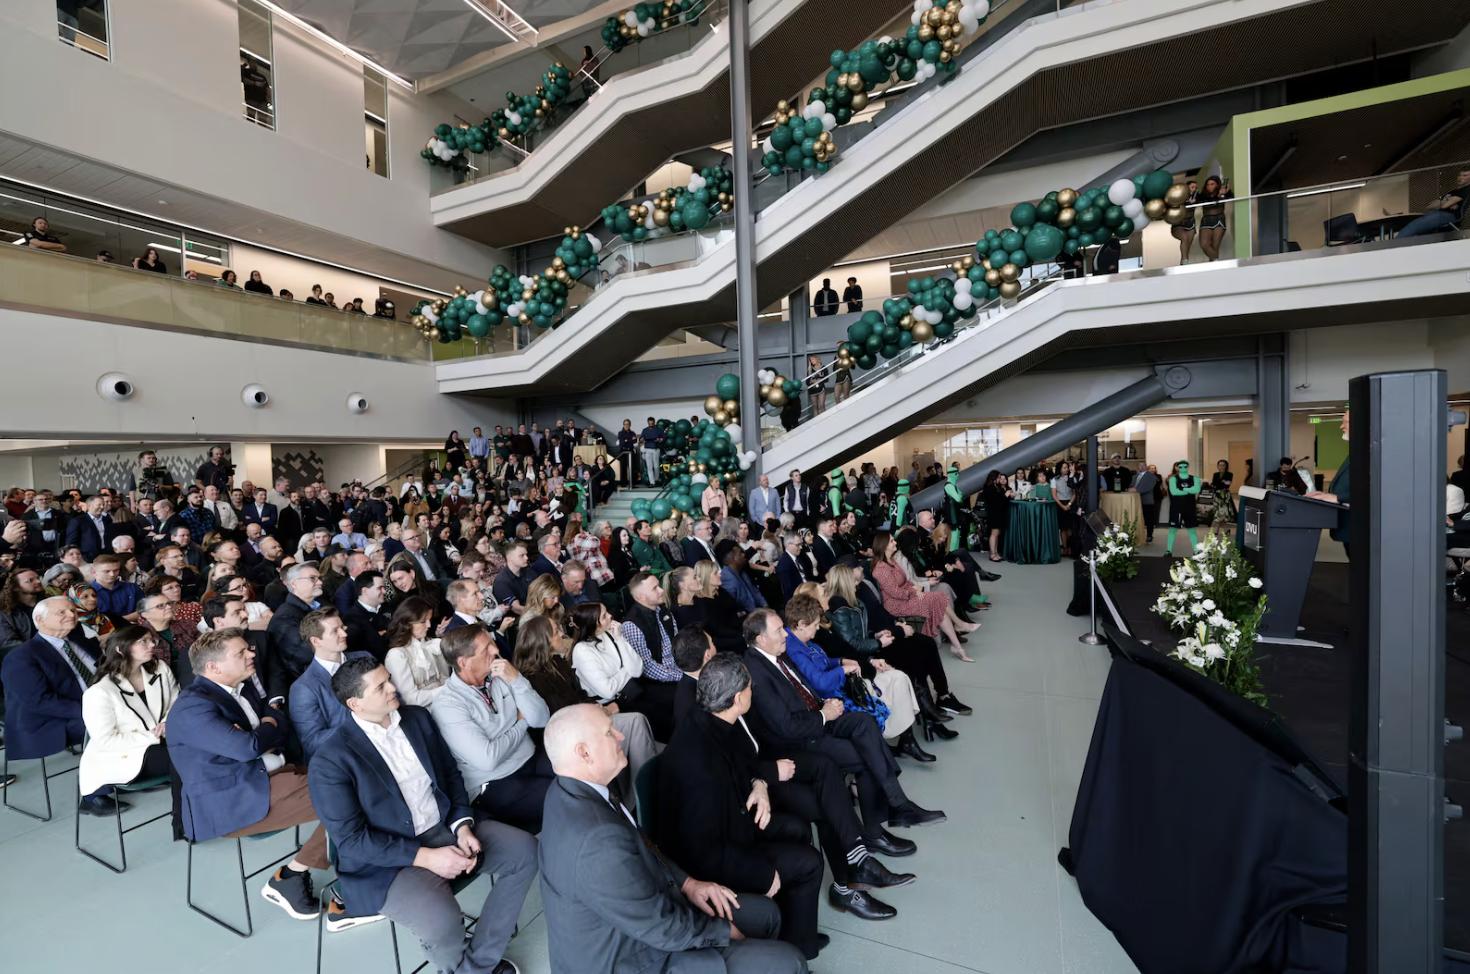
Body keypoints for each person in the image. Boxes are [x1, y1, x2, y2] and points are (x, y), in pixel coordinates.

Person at [538, 704, 809, 974]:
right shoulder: (597, 839)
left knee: (767, 914)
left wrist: (688, 883)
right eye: (609, 732)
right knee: (790, 961)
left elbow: (642, 845)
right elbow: (659, 927)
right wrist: (722, 932)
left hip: (645, 913)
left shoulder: (570, 789)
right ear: (584, 753)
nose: (621, 736)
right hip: (629, 957)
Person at [307, 656, 535, 970]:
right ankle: (468, 966)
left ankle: (479, 957)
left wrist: (462, 825)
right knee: (443, 924)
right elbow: (352, 841)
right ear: (355, 703)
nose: (393, 687)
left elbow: (450, 774)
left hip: (444, 827)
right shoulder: (331, 760)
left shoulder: (416, 719)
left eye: (389, 679)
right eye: (381, 686)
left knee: (525, 852)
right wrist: (426, 857)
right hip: (388, 862)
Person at [657, 654, 827, 959]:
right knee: (810, 862)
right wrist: (761, 875)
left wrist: (759, 785)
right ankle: (797, 952)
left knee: (797, 828)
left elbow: (746, 764)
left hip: (734, 823)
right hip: (714, 856)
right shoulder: (699, 765)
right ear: (738, 698)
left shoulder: (713, 719)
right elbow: (702, 852)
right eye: (750, 688)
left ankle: (795, 931)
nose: (753, 692)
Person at [167, 628, 329, 919]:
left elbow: (266, 734)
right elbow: (248, 747)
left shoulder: (233, 690)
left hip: (266, 774)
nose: (252, 653)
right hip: (232, 800)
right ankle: (291, 876)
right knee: (348, 798)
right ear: (213, 667)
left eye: (248, 649)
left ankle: (362, 855)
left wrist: (265, 727)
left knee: (356, 780)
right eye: (240, 653)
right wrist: (268, 722)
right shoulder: (193, 707)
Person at [742, 608, 943, 842]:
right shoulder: (756, 671)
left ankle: (898, 804)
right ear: (761, 638)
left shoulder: (775, 653)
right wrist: (824, 715)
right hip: (799, 739)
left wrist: (823, 704)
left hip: (816, 714)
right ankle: (876, 832)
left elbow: (802, 686)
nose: (785, 634)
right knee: (864, 756)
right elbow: (786, 726)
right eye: (779, 630)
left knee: (865, 722)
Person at [431, 623, 554, 834]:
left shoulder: (502, 676)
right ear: (464, 663)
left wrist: (516, 679)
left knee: (583, 773)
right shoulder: (447, 705)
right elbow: (488, 759)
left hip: (530, 759)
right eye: (486, 648)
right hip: (495, 782)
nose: (496, 651)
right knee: (563, 797)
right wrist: (521, 722)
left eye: (492, 643)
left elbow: (541, 719)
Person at [2, 598, 113, 809]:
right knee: (101, 726)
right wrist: (93, 711)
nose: (71, 615)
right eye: (61, 612)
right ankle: (92, 795)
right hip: (48, 720)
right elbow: (39, 702)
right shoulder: (22, 657)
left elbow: (105, 670)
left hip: (97, 704)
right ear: (39, 619)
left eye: (72, 610)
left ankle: (134, 771)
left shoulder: (79, 637)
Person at [79, 626, 179, 803]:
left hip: (166, 739)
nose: (152, 645)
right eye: (143, 642)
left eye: (152, 640)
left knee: (198, 752)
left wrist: (168, 723)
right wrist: (154, 735)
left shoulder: (160, 668)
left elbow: (176, 702)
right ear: (120, 649)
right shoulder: (99, 692)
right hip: (127, 753)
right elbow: (107, 741)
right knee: (190, 759)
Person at [287, 608, 373, 760]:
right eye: (335, 631)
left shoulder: (364, 657)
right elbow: (312, 742)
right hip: (348, 755)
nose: (344, 634)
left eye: (343, 627)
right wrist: (365, 722)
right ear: (316, 641)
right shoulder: (303, 688)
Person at [1397, 169, 1469, 237]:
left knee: (1414, 226)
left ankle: (1395, 244)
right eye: (1460, 175)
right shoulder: (1453, 191)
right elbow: (1430, 206)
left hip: (1448, 215)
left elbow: (1444, 206)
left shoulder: (1466, 190)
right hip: (1436, 213)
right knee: (1416, 231)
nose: (1460, 177)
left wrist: (1442, 202)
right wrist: (1445, 202)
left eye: (1465, 175)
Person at [1164, 460, 1202, 557]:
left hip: (1190, 507)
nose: (1183, 468)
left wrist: (1184, 489)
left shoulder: (1195, 478)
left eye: (1185, 466)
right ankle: (1168, 550)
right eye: (1180, 467)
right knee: (1173, 529)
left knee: (1192, 530)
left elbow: (1196, 490)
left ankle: (1196, 550)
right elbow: (1174, 492)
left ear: (1188, 467)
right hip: (1177, 507)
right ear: (1177, 467)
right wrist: (1189, 490)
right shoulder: (1173, 479)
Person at [1196, 175, 1232, 261]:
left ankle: (1213, 264)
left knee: (1215, 246)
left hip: (1219, 219)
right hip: (1206, 221)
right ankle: (1216, 262)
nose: (1209, 186)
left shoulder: (1222, 192)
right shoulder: (1202, 195)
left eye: (1212, 184)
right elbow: (1198, 201)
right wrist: (1217, 196)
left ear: (1217, 185)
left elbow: (1231, 198)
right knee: (1204, 244)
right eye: (1208, 184)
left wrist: (1226, 192)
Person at [1171, 179, 1198, 263]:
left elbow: (1207, 199)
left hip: (1190, 223)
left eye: (1195, 188)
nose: (1194, 189)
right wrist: (1185, 202)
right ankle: (1185, 261)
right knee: (1184, 238)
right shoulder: (1179, 196)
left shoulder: (1197, 196)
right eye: (1192, 187)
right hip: (1178, 223)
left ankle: (1183, 262)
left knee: (1187, 245)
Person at [1135, 463, 1161, 544]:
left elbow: (1148, 486)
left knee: (1149, 519)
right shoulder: (1135, 476)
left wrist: (1135, 490)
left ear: (1146, 467)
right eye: (1140, 465)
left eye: (1143, 465)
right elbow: (1131, 486)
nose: (1142, 467)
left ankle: (1149, 535)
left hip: (1147, 501)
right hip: (1136, 501)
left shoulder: (1151, 476)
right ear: (1138, 467)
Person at [640, 417, 664, 487]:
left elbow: (663, 437)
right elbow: (641, 438)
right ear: (648, 422)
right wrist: (641, 440)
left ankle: (656, 480)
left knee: (656, 466)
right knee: (649, 467)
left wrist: (660, 439)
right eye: (649, 423)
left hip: (656, 449)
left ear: (654, 422)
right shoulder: (645, 430)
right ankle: (652, 482)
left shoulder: (658, 430)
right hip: (647, 449)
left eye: (652, 422)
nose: (651, 424)